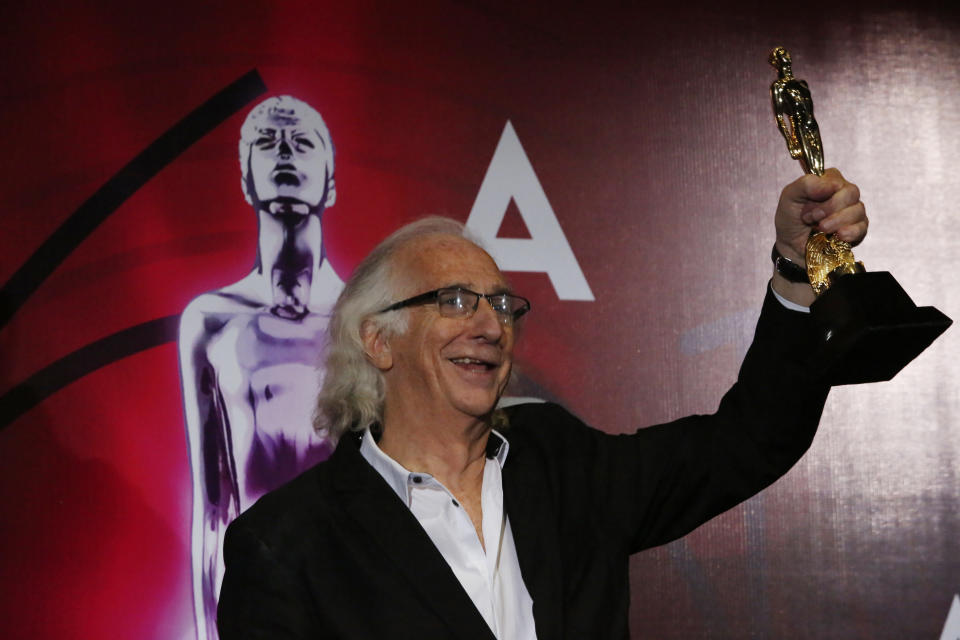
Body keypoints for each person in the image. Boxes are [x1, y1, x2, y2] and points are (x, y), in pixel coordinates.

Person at [216, 169, 868, 638]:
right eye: (454, 302)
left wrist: (794, 266)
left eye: (501, 304)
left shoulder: (562, 463)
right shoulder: (285, 546)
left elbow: (749, 439)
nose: (490, 325)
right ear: (379, 340)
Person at [178, 95, 344, 640]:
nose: (284, 155)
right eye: (267, 143)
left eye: (301, 142)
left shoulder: (370, 322)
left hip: (347, 596)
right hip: (254, 601)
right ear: (247, 180)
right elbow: (210, 508)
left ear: (331, 179)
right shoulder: (211, 322)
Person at [770, 46, 825, 177]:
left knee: (821, 170)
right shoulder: (778, 87)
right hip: (799, 128)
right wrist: (790, 142)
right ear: (776, 61)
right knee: (813, 174)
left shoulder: (802, 84)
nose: (787, 58)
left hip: (812, 126)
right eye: (783, 55)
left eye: (787, 54)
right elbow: (779, 117)